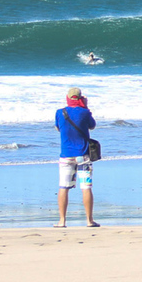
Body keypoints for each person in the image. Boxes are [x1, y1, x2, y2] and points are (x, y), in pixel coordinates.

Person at [55, 87, 98, 228]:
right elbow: (92, 126)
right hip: (83, 156)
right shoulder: (85, 112)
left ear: (68, 97)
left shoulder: (60, 112)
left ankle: (62, 221)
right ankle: (89, 220)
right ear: (80, 98)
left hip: (66, 156)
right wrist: (85, 106)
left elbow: (58, 128)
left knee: (63, 187)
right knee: (86, 187)